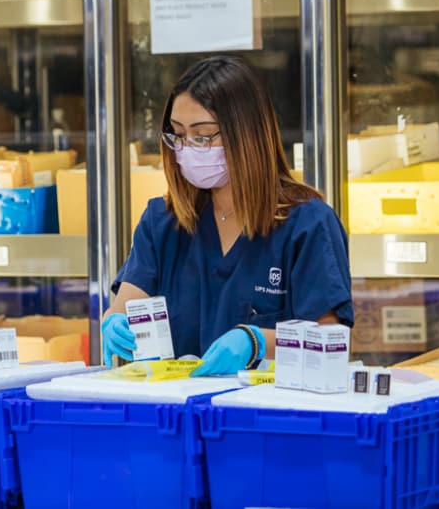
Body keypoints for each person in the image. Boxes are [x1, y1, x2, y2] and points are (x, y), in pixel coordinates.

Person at [101, 56, 353, 376]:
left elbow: (335, 344)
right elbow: (124, 306)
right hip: (178, 415)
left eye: (203, 135)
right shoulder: (163, 222)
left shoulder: (307, 224)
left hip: (269, 416)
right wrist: (114, 322)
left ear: (246, 134)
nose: (188, 147)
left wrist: (257, 341)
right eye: (178, 135)